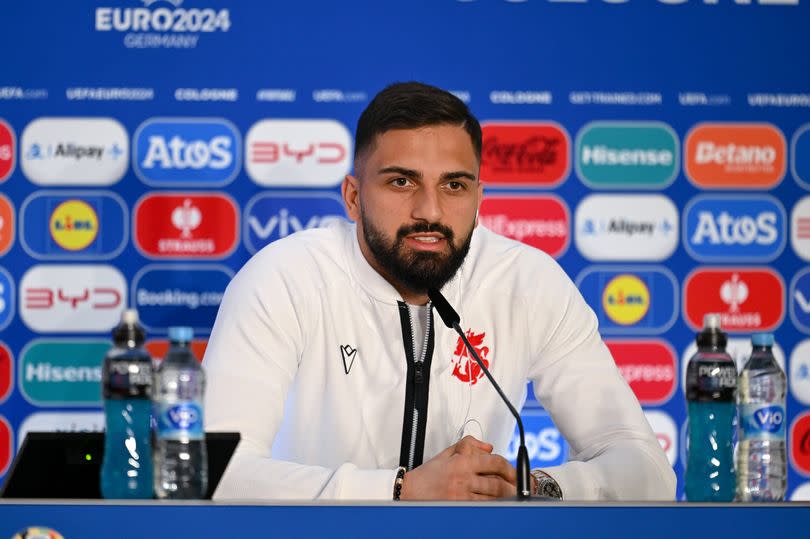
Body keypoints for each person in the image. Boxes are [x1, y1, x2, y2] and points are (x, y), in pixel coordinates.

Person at [203, 82, 676, 501]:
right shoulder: (284, 279)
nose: (429, 210)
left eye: (454, 185)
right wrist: (398, 491)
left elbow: (649, 472)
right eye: (401, 181)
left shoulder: (527, 281)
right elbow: (213, 471)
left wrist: (532, 486)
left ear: (479, 198)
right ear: (352, 196)